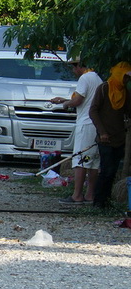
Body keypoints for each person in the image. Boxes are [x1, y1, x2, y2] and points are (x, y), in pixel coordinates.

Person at [51, 59, 102, 205]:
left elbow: (78, 100)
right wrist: (63, 100)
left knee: (80, 160)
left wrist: (66, 104)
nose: (73, 71)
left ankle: (77, 195)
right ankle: (90, 195)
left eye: (74, 68)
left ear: (79, 66)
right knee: (92, 162)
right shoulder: (97, 77)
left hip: (85, 124)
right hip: (96, 125)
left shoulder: (85, 78)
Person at [89, 62, 131, 209]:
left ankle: (105, 201)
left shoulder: (125, 91)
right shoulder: (104, 88)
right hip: (105, 138)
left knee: (112, 171)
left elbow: (128, 111)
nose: (126, 80)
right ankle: (98, 202)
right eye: (125, 77)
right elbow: (93, 111)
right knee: (106, 170)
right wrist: (102, 132)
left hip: (119, 137)